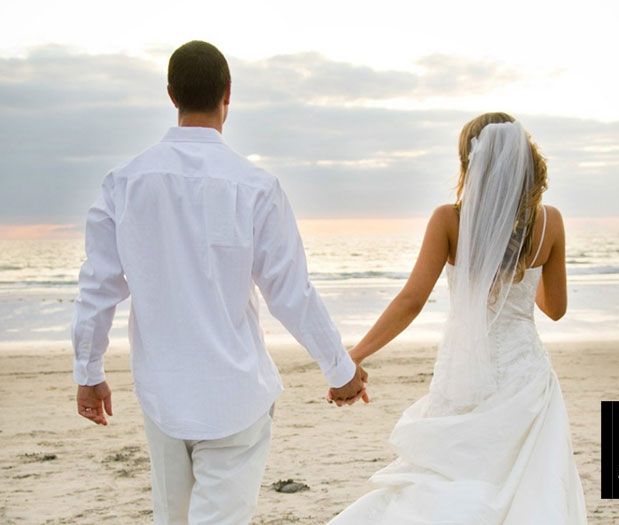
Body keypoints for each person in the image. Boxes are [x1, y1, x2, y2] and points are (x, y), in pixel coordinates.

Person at [71, 40, 367, 525]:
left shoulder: (123, 182)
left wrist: (88, 373)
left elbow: (98, 287)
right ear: (229, 93)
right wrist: (341, 371)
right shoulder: (255, 186)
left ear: (171, 95)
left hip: (163, 391)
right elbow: (291, 294)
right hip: (236, 393)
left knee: (173, 517)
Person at [328, 113, 588, 523]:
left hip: (465, 368)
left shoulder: (449, 220)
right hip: (525, 373)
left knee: (451, 475)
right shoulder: (549, 222)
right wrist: (523, 268)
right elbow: (555, 309)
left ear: (470, 163)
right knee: (527, 482)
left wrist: (353, 356)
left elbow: (411, 300)